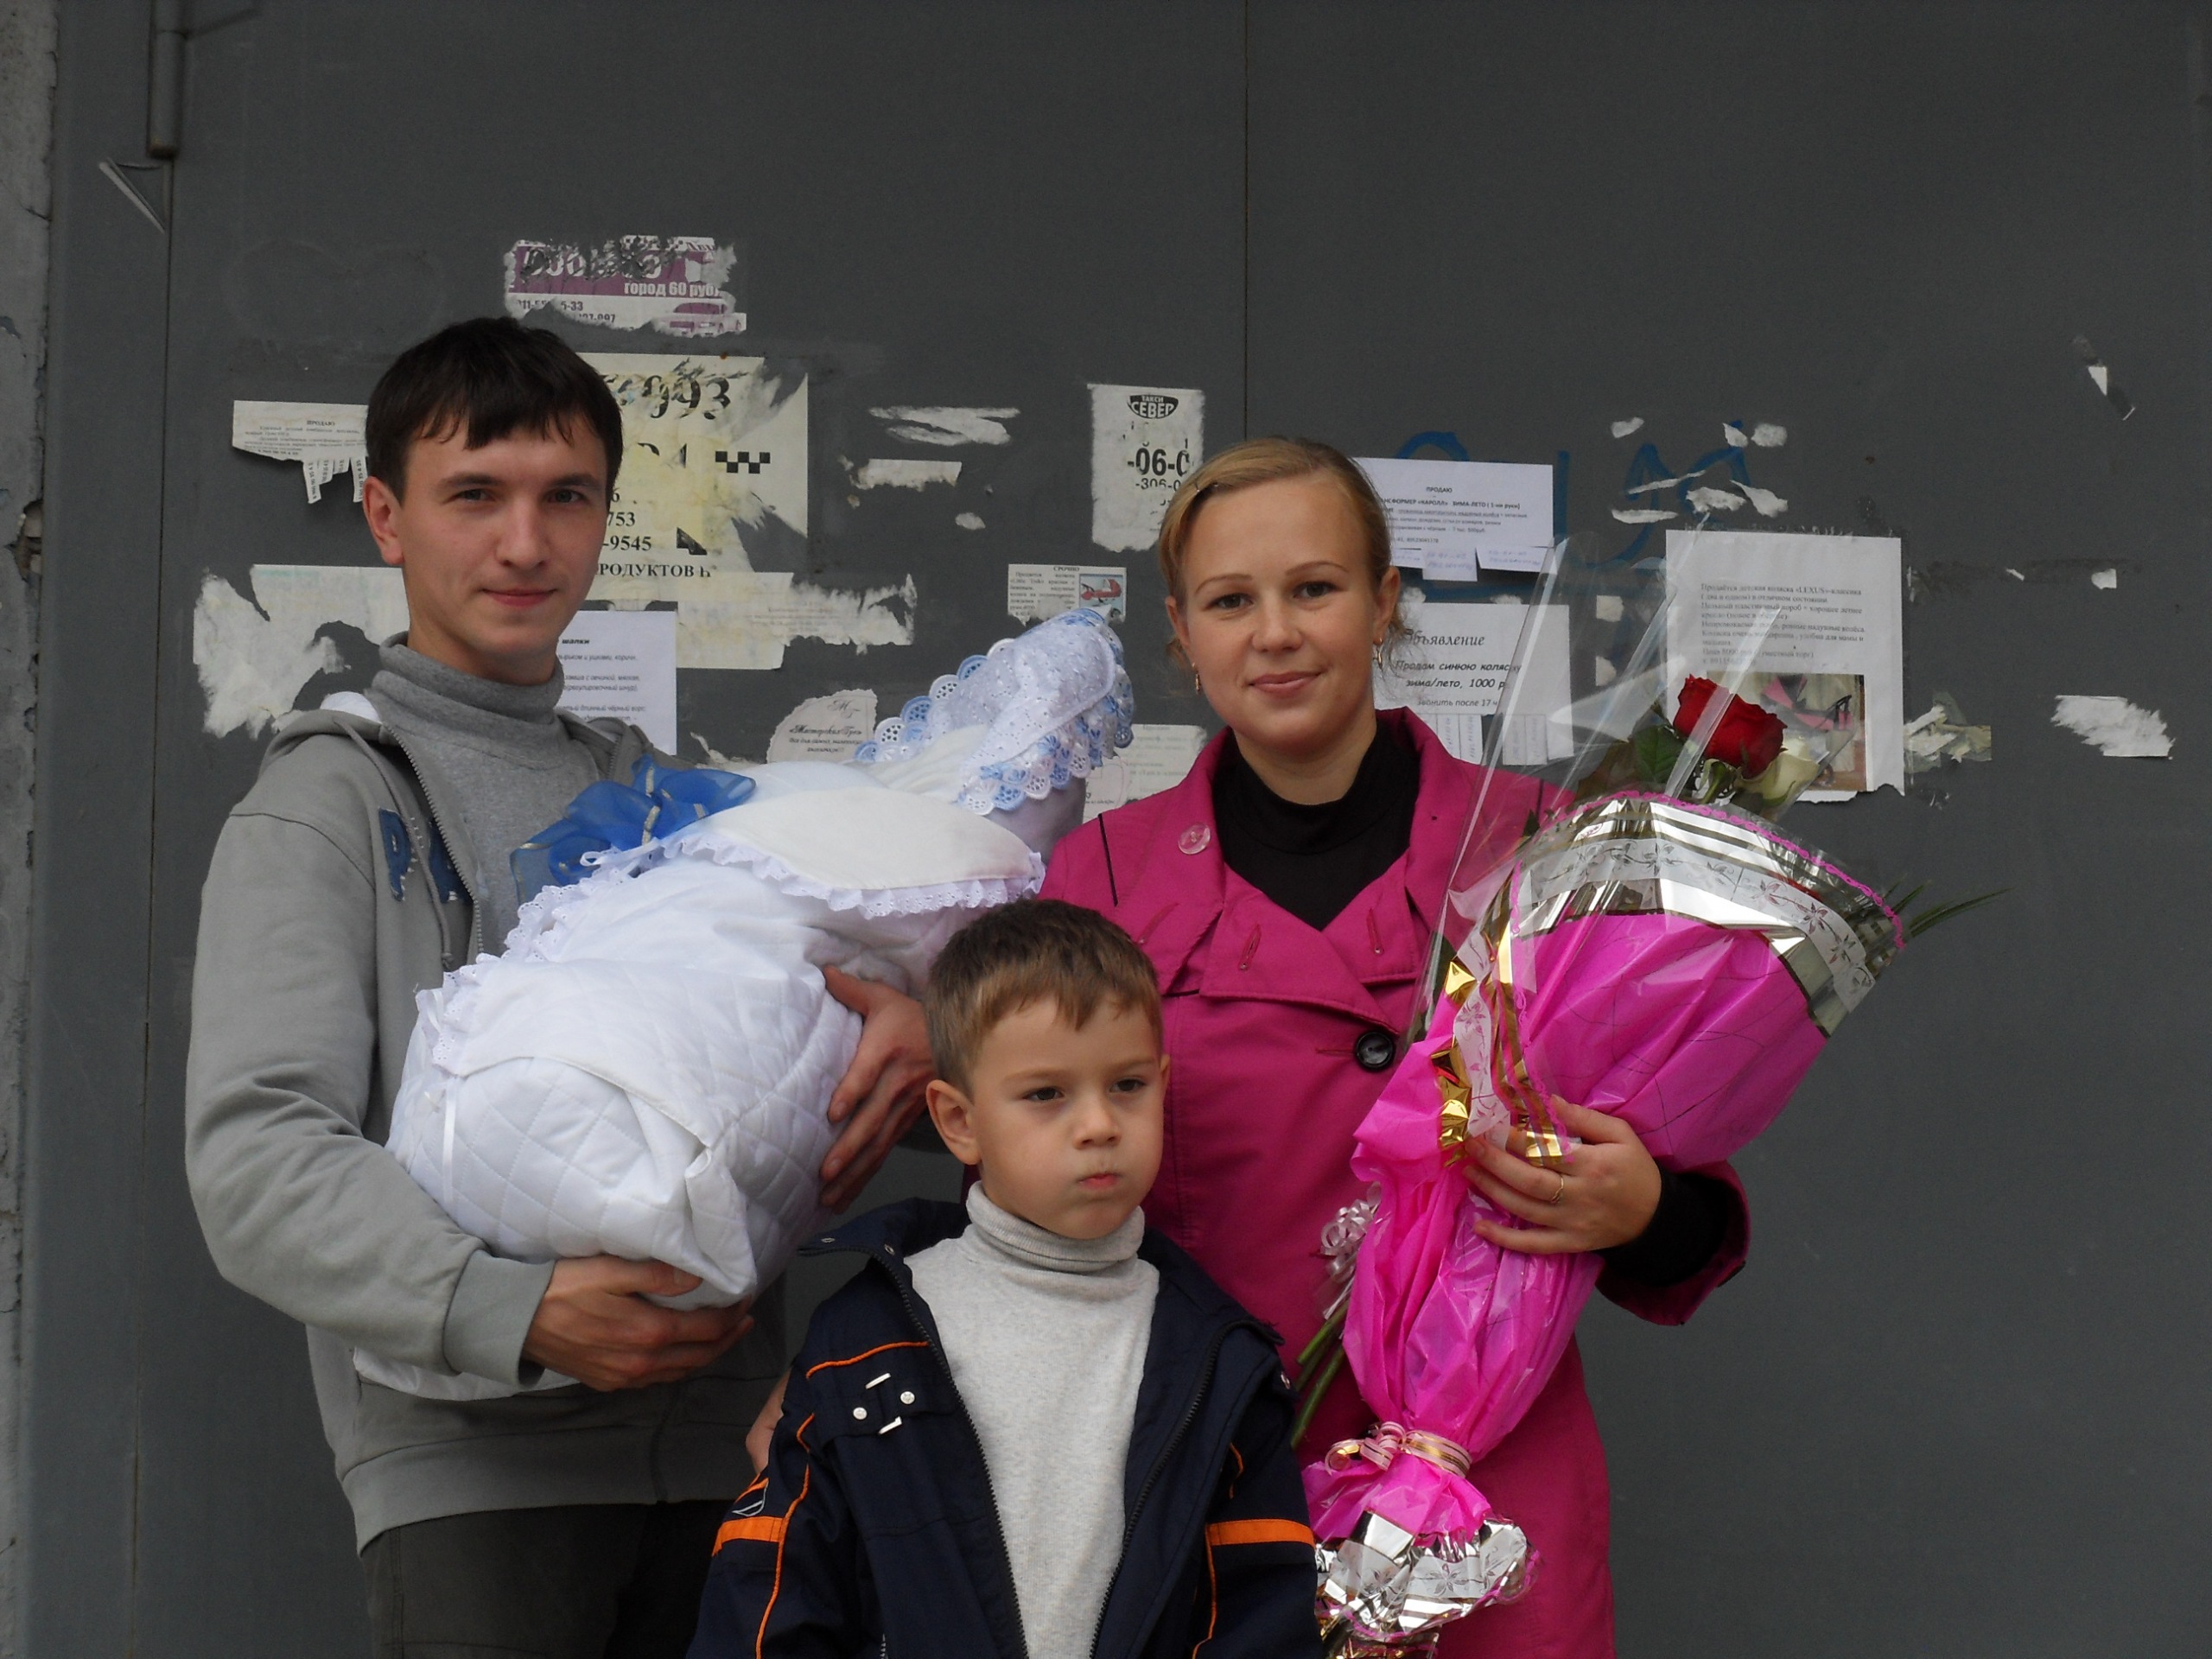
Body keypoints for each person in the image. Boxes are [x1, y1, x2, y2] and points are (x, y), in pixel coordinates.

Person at [183, 317, 931, 1657]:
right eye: (475, 495)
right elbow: (258, 1159)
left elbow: (782, 1060)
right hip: (476, 1486)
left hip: (727, 1459)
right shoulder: (322, 807)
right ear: (385, 517)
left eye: (566, 497)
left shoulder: (660, 798)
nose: (525, 544)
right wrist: (511, 1309)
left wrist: (914, 1036)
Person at [1039, 438, 1749, 1656]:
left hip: (1487, 1487)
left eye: (1313, 588)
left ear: (1383, 602)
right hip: (1206, 1475)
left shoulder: (1547, 846)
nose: (1275, 633)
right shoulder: (1100, 876)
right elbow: (1020, 1194)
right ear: (1183, 631)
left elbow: (1689, 1205)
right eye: (1230, 601)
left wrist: (1637, 1206)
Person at [694, 899, 1320, 1659]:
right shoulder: (864, 1337)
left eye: (1127, 1085)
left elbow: (1261, 1616)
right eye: (1046, 1094)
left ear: (1162, 1083)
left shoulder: (1221, 1361)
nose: (1099, 1125)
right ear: (958, 1122)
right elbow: (771, 1594)